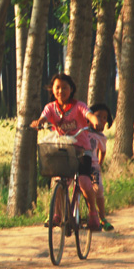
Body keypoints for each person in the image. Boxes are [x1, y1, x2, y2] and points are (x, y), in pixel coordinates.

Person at [31, 73, 102, 231]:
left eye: (64, 88)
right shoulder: (51, 108)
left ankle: (93, 214)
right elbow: (44, 117)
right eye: (57, 88)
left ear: (71, 89)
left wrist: (95, 121)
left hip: (82, 151)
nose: (61, 91)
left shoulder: (79, 106)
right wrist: (39, 122)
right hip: (63, 151)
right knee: (58, 181)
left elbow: (88, 114)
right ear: (52, 90)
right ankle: (56, 214)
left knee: (84, 182)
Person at [87, 103, 114, 231]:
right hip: (79, 163)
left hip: (93, 166)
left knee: (98, 190)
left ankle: (102, 218)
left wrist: (99, 163)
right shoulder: (84, 131)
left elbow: (102, 151)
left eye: (105, 118)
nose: (102, 120)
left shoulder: (101, 138)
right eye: (98, 116)